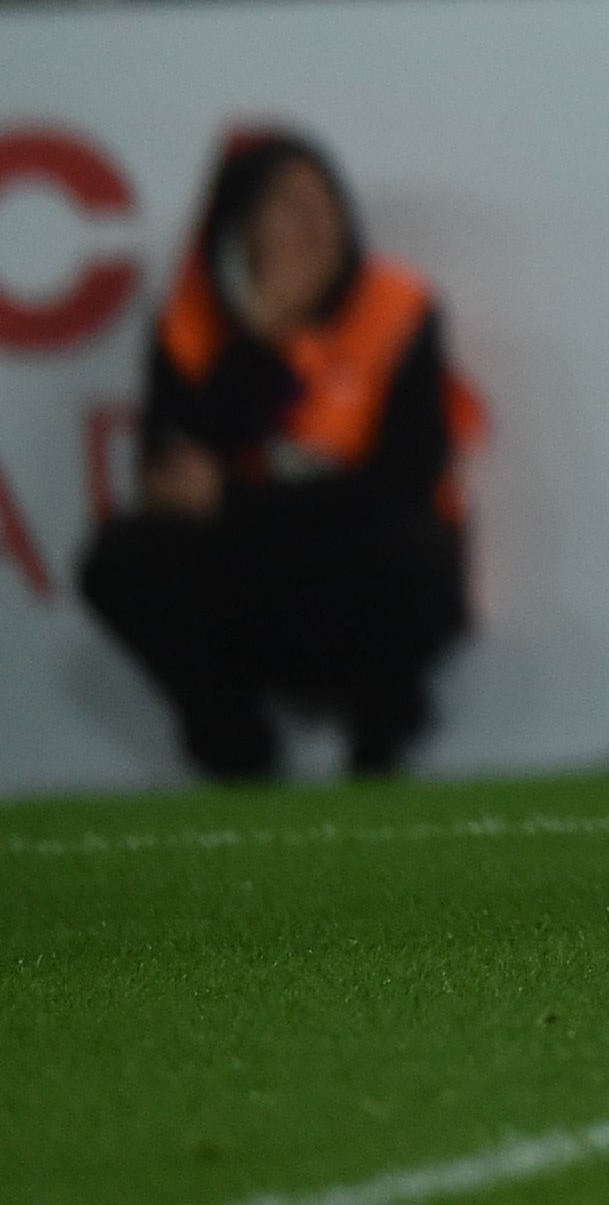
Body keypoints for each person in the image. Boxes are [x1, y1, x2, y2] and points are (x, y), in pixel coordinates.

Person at [76, 132, 473, 784]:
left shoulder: (397, 310)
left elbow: (407, 480)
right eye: (287, 205)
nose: (314, 223)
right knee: (124, 560)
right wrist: (258, 347)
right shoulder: (189, 329)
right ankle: (236, 752)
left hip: (355, 573)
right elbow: (169, 483)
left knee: (415, 550)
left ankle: (383, 741)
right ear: (239, 226)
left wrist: (236, 503)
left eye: (326, 203)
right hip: (248, 581)